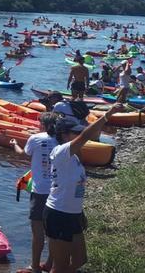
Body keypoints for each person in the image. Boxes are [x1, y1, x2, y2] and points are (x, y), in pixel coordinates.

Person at [43, 103, 122, 273]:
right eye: (75, 133)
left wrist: (80, 212)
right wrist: (107, 115)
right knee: (61, 266)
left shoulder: (76, 157)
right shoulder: (60, 151)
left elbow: (76, 188)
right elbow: (87, 135)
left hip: (72, 213)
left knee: (80, 259)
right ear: (64, 135)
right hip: (58, 213)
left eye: (79, 132)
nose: (79, 135)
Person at [10, 112, 59, 273]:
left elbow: (22, 154)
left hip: (40, 191)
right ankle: (50, 264)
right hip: (57, 191)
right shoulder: (62, 140)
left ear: (42, 125)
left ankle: (35, 267)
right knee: (52, 230)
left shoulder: (36, 138)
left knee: (37, 232)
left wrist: (14, 143)